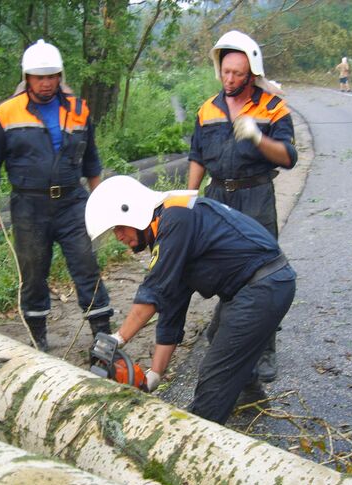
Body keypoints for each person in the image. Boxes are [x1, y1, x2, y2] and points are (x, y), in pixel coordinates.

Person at [85, 176, 297, 424]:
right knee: (219, 335)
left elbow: (153, 292)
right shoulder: (167, 230)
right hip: (254, 286)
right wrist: (155, 374)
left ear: (132, 211)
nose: (119, 236)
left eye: (119, 227)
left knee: (215, 374)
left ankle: (197, 436)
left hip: (265, 284)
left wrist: (117, 338)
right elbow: (171, 307)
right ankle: (250, 397)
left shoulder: (175, 218)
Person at [0, 39, 112, 352]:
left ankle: (103, 341)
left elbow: (92, 160)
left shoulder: (79, 109)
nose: (47, 83)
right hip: (29, 206)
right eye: (40, 77)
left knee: (86, 267)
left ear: (60, 75)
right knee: (33, 274)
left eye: (52, 76)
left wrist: (101, 203)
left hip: (72, 203)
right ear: (27, 78)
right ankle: (39, 344)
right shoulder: (6, 113)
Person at [186, 31, 298, 383]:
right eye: (226, 72)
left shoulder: (272, 108)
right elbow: (197, 156)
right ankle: (226, 333)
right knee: (221, 270)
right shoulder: (207, 110)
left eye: (238, 73)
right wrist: (189, 199)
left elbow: (289, 157)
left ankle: (265, 351)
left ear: (252, 73)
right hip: (218, 197)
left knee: (262, 275)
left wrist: (257, 136)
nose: (230, 79)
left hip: (255, 197)